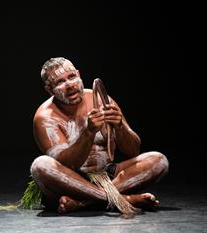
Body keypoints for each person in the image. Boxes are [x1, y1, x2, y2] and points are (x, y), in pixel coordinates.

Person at [30, 57, 169, 214]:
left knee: (158, 161)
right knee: (40, 165)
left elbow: (133, 151)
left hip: (108, 175)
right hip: (71, 183)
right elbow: (68, 165)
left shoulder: (102, 100)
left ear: (79, 75)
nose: (69, 85)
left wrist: (119, 127)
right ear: (49, 89)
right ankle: (122, 199)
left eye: (71, 77)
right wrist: (88, 132)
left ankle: (84, 203)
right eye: (60, 82)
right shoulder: (46, 117)